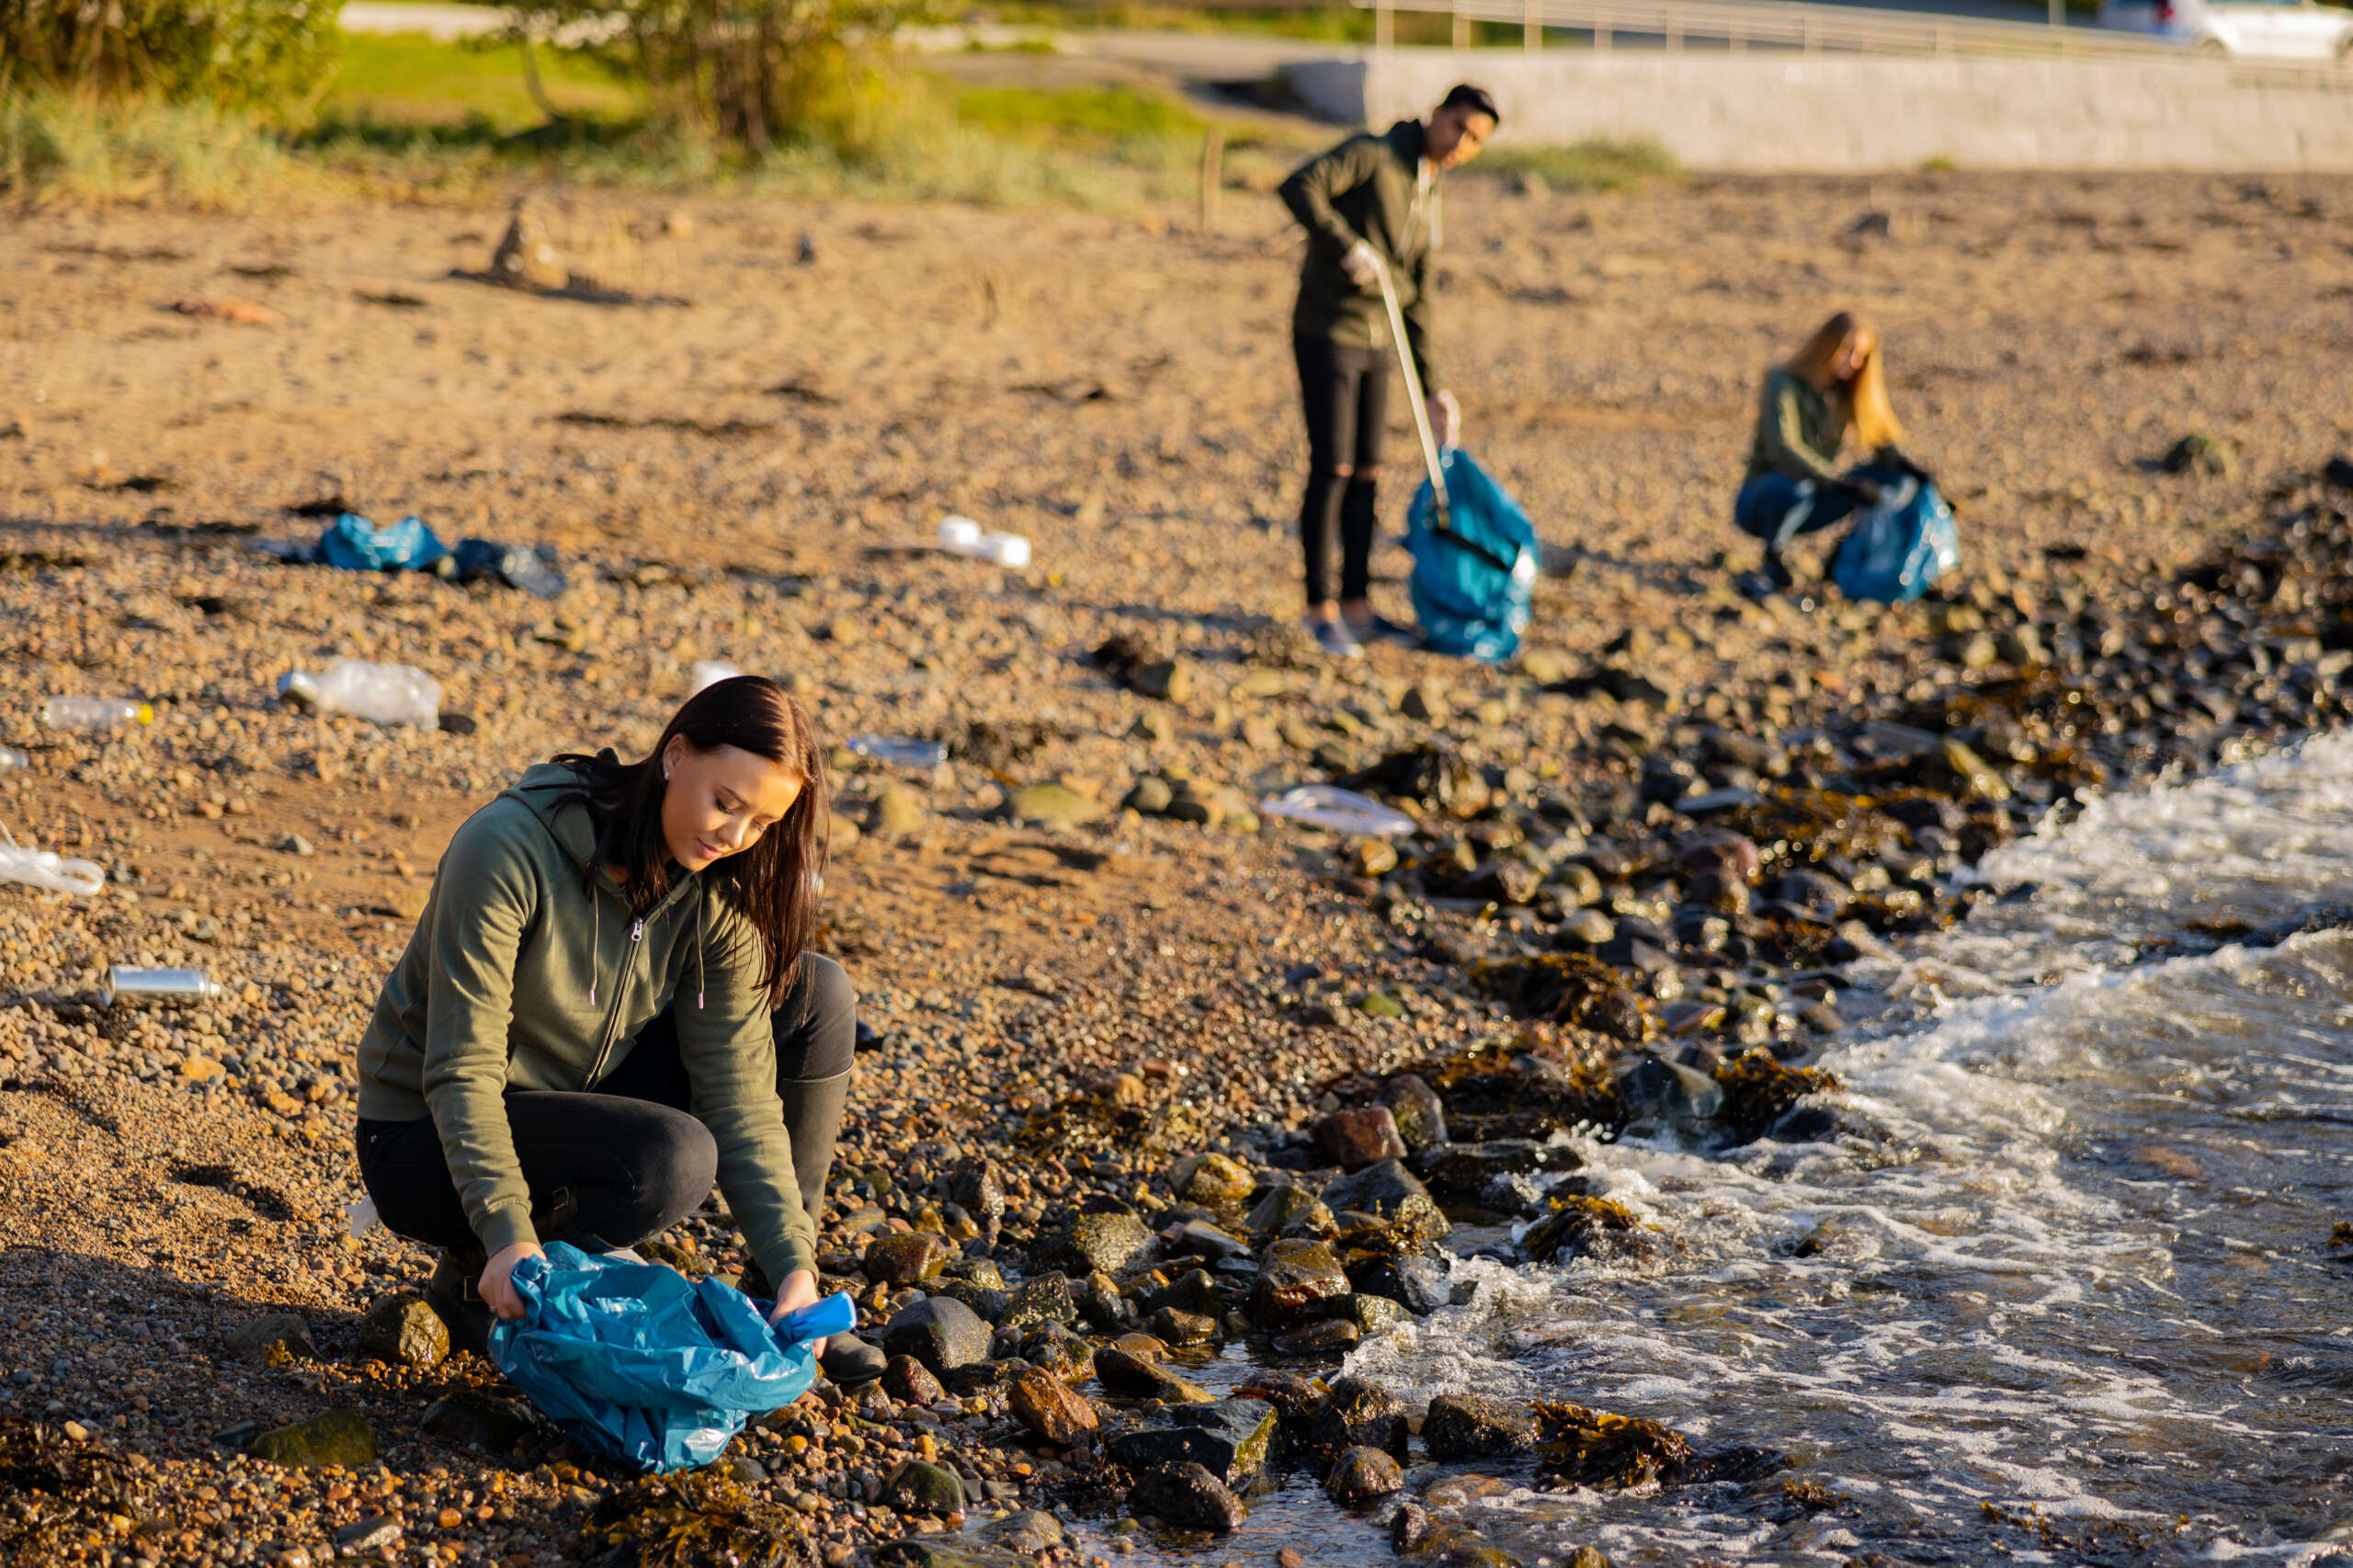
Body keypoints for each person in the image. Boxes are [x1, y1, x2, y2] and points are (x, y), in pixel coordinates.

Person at [352, 676, 870, 1371]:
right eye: (726, 804)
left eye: (763, 824)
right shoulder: (508, 848)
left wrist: (793, 1266)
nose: (736, 836)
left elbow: (738, 1095)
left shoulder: (714, 889)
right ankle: (487, 1265)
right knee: (673, 1159)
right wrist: (506, 1231)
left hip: (566, 1095)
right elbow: (461, 1065)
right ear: (674, 755)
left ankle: (774, 1298)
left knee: (816, 993)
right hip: (421, 1135)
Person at [1279, 82, 1499, 658]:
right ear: (1437, 115)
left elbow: (1419, 296)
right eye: (1459, 128)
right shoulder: (1374, 155)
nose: (1461, 144)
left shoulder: (1432, 189)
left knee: (1370, 472)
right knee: (1334, 466)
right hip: (1329, 331)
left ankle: (1357, 603)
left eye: (1476, 141)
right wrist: (1345, 245)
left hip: (1384, 341)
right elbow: (1299, 187)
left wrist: (1434, 387)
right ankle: (1319, 608)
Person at [1734, 310, 1935, 597]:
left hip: (1814, 495)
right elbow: (1784, 449)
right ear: (1827, 348)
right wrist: (1839, 484)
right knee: (1793, 485)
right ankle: (1773, 559)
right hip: (1764, 500)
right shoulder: (1783, 382)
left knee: (1892, 480)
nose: (1853, 363)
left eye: (1861, 357)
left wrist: (1913, 470)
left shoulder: (1846, 391)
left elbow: (1879, 438)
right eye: (1848, 352)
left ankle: (1849, 557)